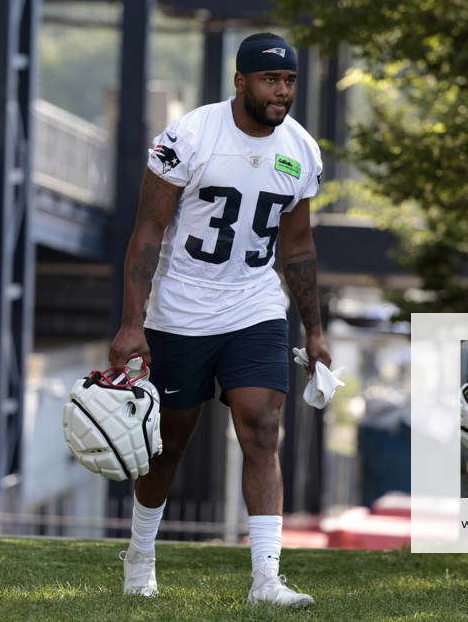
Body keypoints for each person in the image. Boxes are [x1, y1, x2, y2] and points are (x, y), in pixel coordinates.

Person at [108, 33, 331, 608]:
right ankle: (140, 553)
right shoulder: (190, 135)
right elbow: (147, 234)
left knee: (261, 427)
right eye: (269, 80)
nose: (281, 92)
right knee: (170, 445)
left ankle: (266, 579)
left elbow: (298, 247)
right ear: (241, 82)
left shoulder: (301, 150)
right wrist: (132, 323)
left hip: (254, 306)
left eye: (288, 82)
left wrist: (315, 329)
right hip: (181, 308)